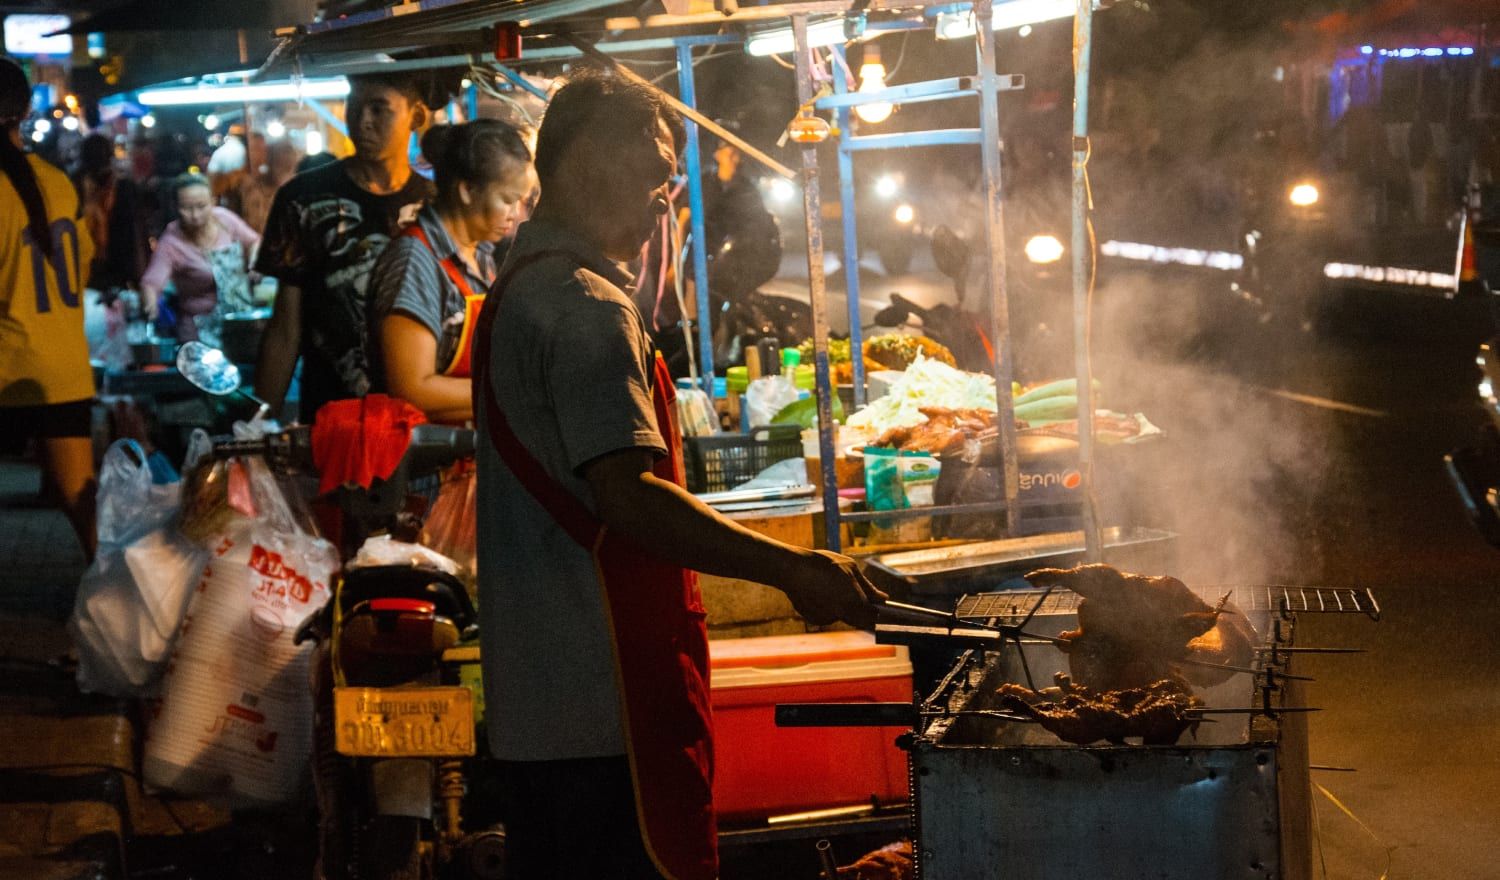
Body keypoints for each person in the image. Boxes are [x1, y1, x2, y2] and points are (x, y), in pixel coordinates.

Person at [473, 69, 883, 880]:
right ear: (590, 163)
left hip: (539, 709)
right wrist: (791, 569)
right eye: (655, 180)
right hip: (607, 706)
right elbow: (628, 497)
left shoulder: (517, 288)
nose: (664, 204)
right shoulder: (585, 305)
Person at [254, 72, 439, 421]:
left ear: (415, 116)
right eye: (354, 107)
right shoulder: (303, 199)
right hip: (333, 421)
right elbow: (284, 328)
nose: (362, 121)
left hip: (420, 425)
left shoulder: (435, 203)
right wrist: (257, 427)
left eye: (379, 109)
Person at [367, 119, 534, 423]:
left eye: (521, 202)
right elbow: (411, 388)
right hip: (425, 462)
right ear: (468, 190)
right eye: (508, 200)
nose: (516, 214)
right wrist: (515, 394)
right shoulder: (414, 261)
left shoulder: (480, 254)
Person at [0, 58, 98, 559]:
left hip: (9, 368)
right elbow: (80, 270)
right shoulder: (57, 181)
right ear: (23, 112)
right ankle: (124, 609)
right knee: (84, 509)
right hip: (63, 367)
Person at [140, 173, 260, 344]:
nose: (195, 215)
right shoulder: (172, 241)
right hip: (199, 336)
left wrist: (255, 261)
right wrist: (150, 305)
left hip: (239, 325)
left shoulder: (225, 220)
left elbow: (255, 241)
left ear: (212, 201)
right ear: (176, 206)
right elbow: (151, 283)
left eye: (201, 206)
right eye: (186, 208)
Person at [72, 133, 149, 296]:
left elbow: (135, 231)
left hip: (113, 264)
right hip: (93, 264)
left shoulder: (121, 187)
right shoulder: (78, 186)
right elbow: (137, 232)